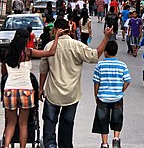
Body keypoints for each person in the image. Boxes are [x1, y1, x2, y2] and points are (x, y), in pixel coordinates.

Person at [39, 19, 114, 148]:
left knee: (50, 124)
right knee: (67, 125)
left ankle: (50, 145)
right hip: (72, 94)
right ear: (68, 30)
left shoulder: (49, 46)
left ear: (56, 30)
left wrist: (41, 88)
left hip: (53, 94)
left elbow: (43, 70)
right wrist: (106, 38)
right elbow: (95, 55)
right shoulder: (77, 46)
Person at [1, 27, 63, 148]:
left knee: (11, 123)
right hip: (26, 90)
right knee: (23, 124)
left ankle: (6, 145)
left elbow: (4, 73)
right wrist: (56, 37)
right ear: (26, 39)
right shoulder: (28, 52)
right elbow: (50, 52)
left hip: (9, 90)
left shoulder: (7, 53)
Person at [92, 41, 131, 148]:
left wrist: (96, 95)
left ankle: (105, 143)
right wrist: (121, 90)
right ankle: (116, 140)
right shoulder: (122, 65)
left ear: (105, 52)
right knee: (117, 118)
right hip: (117, 97)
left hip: (103, 97)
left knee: (102, 120)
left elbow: (96, 82)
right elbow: (127, 80)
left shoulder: (100, 65)